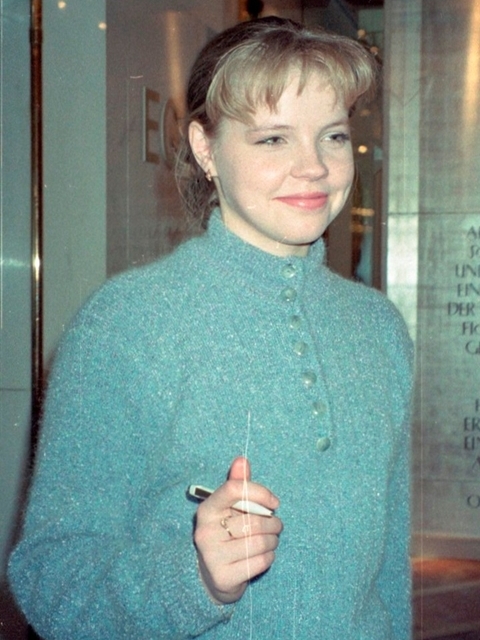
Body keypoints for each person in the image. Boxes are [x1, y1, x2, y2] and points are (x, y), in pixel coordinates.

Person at [8, 16, 414, 639]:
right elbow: (51, 578)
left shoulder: (379, 329)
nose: (314, 167)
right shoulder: (126, 324)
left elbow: (388, 578)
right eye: (273, 139)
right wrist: (196, 579)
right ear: (205, 149)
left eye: (332, 136)